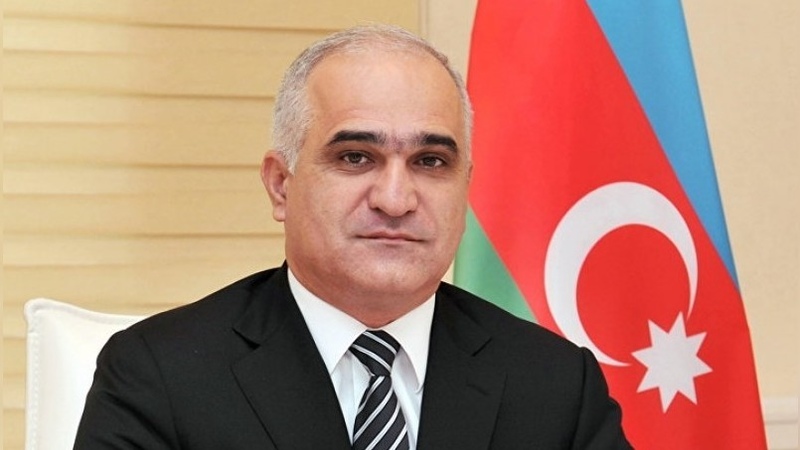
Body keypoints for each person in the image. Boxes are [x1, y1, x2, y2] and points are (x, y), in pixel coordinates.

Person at [74, 24, 631, 449]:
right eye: (356, 157)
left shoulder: (556, 384)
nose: (396, 199)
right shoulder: (160, 375)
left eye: (431, 161)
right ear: (281, 185)